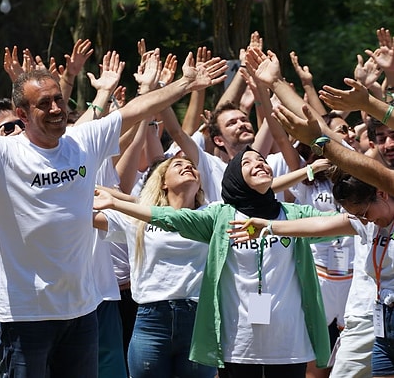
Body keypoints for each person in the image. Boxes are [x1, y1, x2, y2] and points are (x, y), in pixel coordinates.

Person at [0, 52, 227, 377]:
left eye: (59, 100)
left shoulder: (83, 142)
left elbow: (134, 111)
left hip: (82, 312)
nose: (56, 110)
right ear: (22, 113)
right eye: (44, 104)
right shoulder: (1, 154)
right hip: (24, 316)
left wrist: (185, 84)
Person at [93, 146, 343, 377]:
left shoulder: (287, 215)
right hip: (213, 336)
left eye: (263, 160)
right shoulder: (220, 218)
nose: (259, 164)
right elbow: (167, 216)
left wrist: (317, 170)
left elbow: (340, 223)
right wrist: (116, 200)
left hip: (279, 339)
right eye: (247, 161)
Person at [228, 169, 394, 378]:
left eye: (365, 212)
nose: (364, 220)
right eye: (357, 216)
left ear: (382, 193)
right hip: (383, 321)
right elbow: (318, 225)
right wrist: (269, 226)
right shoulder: (366, 224)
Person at [93, 157, 215, 378]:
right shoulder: (138, 218)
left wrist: (118, 199)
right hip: (151, 320)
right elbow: (88, 216)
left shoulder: (212, 213)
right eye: (178, 164)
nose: (188, 166)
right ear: (163, 182)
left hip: (197, 319)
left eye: (192, 167)